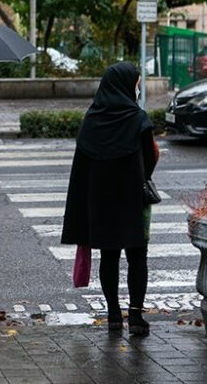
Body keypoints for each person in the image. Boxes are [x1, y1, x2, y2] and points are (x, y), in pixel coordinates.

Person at [61, 62, 158, 336]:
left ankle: (114, 314)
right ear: (127, 86)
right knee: (138, 256)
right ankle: (136, 317)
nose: (138, 89)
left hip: (100, 202)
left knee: (109, 256)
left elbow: (81, 165)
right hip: (133, 201)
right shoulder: (139, 119)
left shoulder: (91, 120)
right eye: (137, 84)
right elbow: (149, 160)